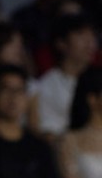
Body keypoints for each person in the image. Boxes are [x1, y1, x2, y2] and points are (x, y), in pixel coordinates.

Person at [36, 13, 97, 141]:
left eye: (92, 34)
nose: (90, 42)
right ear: (61, 43)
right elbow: (48, 133)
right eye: (80, 34)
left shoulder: (97, 80)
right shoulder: (46, 86)